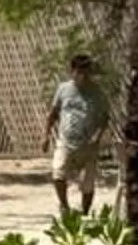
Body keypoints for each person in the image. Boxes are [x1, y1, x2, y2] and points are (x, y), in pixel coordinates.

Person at [45, 53, 109, 216]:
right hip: (66, 140)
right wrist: (45, 136)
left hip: (88, 143)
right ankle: (64, 205)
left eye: (87, 72)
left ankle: (85, 212)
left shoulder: (97, 92)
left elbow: (104, 118)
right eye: (80, 72)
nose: (84, 76)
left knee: (87, 182)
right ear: (72, 71)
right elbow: (53, 113)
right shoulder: (64, 89)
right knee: (58, 172)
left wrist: (97, 135)